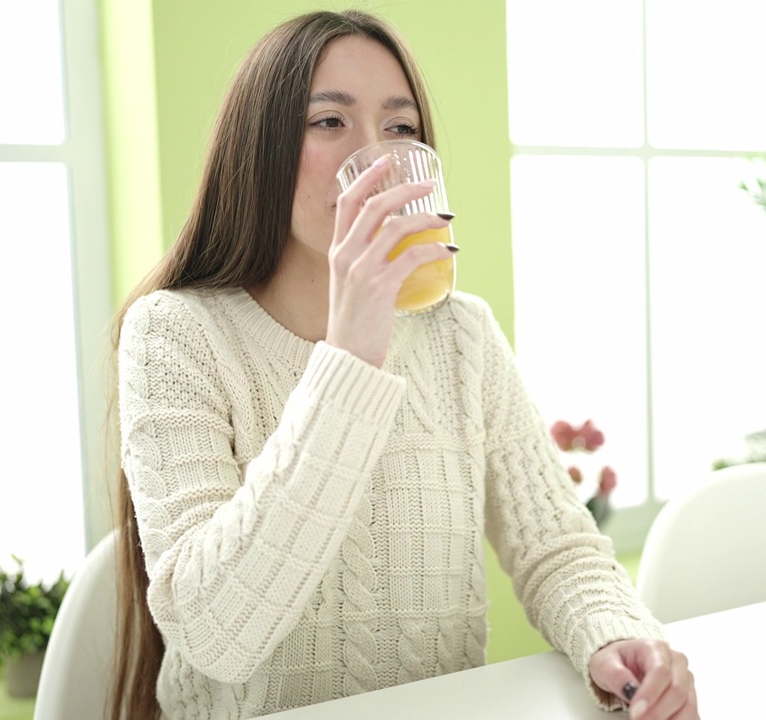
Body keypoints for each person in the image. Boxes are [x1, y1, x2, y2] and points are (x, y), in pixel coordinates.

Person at [110, 9, 698, 720]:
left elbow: (558, 550)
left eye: (401, 128)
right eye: (329, 122)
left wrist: (618, 636)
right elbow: (214, 636)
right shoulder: (175, 335)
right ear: (259, 148)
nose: (380, 161)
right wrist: (352, 352)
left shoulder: (460, 333)